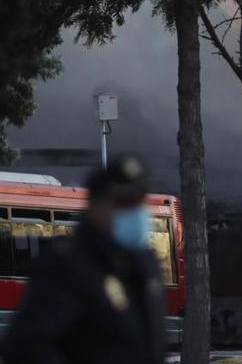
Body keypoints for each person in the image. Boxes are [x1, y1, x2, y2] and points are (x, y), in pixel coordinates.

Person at [2, 156, 165, 364]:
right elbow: (24, 347)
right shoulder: (66, 265)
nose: (135, 212)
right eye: (124, 202)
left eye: (139, 201)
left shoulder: (145, 263)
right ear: (96, 206)